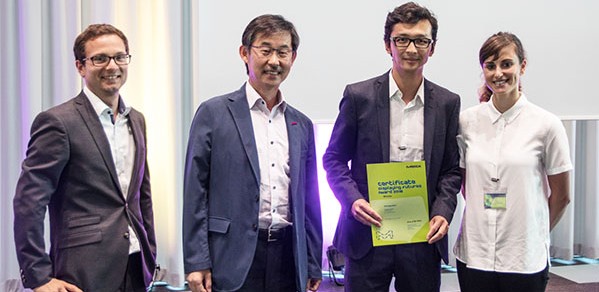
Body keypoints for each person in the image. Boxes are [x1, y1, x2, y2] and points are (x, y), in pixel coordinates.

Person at [323, 2, 462, 291]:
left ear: (432, 48)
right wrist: (352, 201)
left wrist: (443, 212)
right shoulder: (358, 96)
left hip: (421, 236)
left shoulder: (448, 103)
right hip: (368, 233)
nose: (412, 49)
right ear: (388, 45)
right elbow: (334, 159)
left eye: (421, 40)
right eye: (402, 39)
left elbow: (451, 170)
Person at [182, 14, 323, 292]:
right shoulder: (213, 113)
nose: (274, 60)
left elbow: (310, 200)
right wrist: (196, 261)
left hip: (288, 257)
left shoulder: (301, 124)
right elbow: (195, 192)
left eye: (283, 52)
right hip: (231, 256)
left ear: (293, 58)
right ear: (245, 53)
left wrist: (312, 261)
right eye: (265, 49)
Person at [13, 24, 157, 292]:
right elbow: (29, 201)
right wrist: (39, 277)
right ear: (81, 67)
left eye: (119, 57)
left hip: (136, 267)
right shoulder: (58, 122)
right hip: (82, 271)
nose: (112, 66)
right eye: (100, 58)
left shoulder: (136, 120)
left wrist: (150, 249)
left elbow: (141, 195)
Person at [453, 32, 572, 292]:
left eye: (506, 64)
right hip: (475, 254)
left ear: (522, 66)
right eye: (490, 66)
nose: (498, 73)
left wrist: (534, 233)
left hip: (524, 258)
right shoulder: (467, 121)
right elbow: (464, 185)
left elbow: (562, 196)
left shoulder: (547, 124)